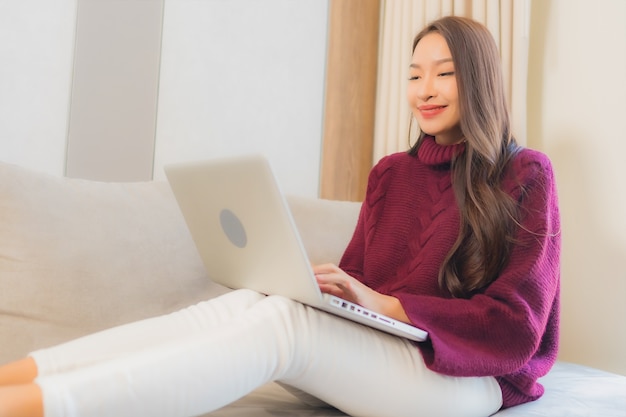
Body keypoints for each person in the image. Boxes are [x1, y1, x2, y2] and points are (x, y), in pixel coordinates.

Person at [0, 15, 560, 417]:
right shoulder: (391, 174)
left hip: (473, 378)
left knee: (283, 326)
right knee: (251, 303)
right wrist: (335, 290)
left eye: (444, 73)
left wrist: (384, 304)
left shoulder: (525, 174)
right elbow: (357, 280)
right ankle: (16, 378)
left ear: (479, 80)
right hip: (383, 353)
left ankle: (40, 408)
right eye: (414, 74)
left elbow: (516, 331)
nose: (424, 90)